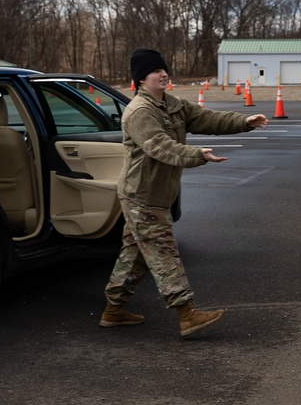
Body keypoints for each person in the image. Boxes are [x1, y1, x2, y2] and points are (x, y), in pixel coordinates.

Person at [101, 47, 269, 337]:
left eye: (163, 69)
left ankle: (113, 311)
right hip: (142, 196)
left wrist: (243, 122)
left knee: (136, 255)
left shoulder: (172, 104)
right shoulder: (139, 112)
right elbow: (160, 147)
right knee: (163, 252)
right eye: (155, 71)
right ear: (141, 79)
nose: (163, 74)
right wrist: (198, 154)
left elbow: (206, 118)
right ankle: (187, 314)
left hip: (156, 194)